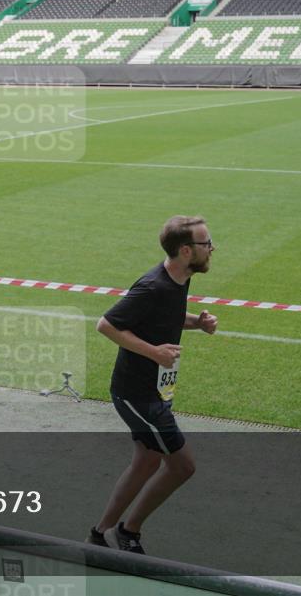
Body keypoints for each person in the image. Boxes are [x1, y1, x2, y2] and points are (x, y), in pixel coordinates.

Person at [88, 215, 218, 554]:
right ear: (186, 251)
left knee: (146, 462)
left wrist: (196, 324)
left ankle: (100, 534)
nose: (213, 248)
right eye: (207, 244)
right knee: (182, 465)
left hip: (154, 391)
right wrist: (155, 353)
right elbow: (106, 325)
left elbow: (165, 316)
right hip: (137, 394)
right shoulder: (153, 286)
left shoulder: (179, 279)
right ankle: (128, 531)